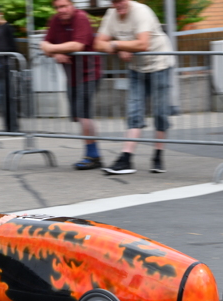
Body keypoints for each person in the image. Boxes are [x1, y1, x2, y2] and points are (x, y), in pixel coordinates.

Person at [95, 0, 174, 175]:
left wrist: (116, 45)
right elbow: (98, 43)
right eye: (114, 1)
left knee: (160, 112)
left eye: (121, 0)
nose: (118, 4)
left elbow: (142, 44)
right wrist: (120, 47)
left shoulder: (141, 12)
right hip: (137, 68)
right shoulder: (111, 14)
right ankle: (126, 158)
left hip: (159, 64)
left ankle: (158, 155)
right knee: (134, 111)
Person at [41, 0, 103, 170]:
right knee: (78, 116)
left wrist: (54, 50)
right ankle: (93, 153)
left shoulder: (80, 18)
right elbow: (43, 44)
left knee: (83, 114)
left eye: (64, 6)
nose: (61, 10)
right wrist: (56, 53)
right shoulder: (55, 21)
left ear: (72, 5)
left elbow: (77, 45)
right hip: (72, 76)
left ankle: (93, 156)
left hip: (89, 73)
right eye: (58, 7)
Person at [0, 5, 20, 133]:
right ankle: (7, 127)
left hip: (7, 65)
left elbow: (13, 48)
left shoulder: (8, 28)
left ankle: (13, 127)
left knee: (9, 97)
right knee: (2, 98)